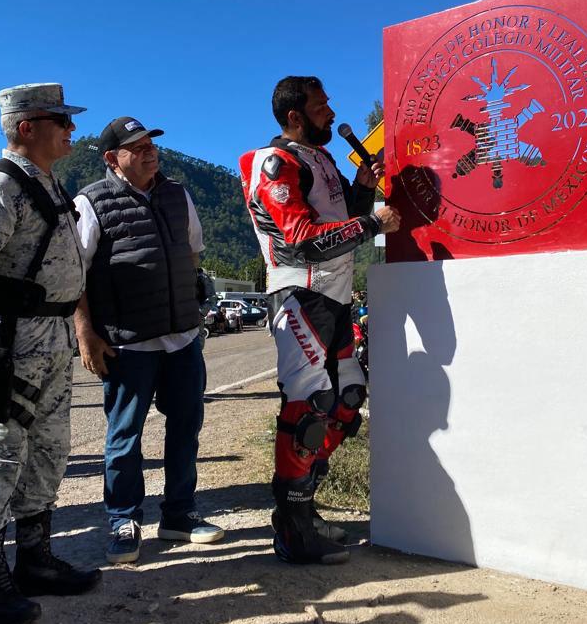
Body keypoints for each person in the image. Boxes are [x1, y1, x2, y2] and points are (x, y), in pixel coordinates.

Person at [239, 76, 401, 565]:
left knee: (348, 400)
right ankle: (293, 525)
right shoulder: (273, 163)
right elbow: (302, 240)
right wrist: (372, 222)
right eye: (321, 107)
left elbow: (335, 220)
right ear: (294, 116)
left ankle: (305, 500)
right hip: (298, 297)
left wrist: (361, 191)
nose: (331, 113)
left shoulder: (323, 159)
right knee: (309, 405)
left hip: (334, 297)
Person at [0, 83, 100, 624]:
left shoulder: (51, 186)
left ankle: (34, 560)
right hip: (9, 344)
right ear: (26, 128)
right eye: (60, 120)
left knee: (49, 451)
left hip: (52, 341)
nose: (71, 129)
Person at [73, 116, 224, 565]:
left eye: (150, 144)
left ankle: (179, 514)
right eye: (135, 147)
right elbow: (75, 274)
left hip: (182, 340)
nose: (149, 152)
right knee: (125, 435)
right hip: (127, 344)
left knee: (186, 428)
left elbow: (193, 251)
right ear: (111, 158)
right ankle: (123, 518)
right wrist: (85, 332)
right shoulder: (91, 201)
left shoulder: (178, 194)